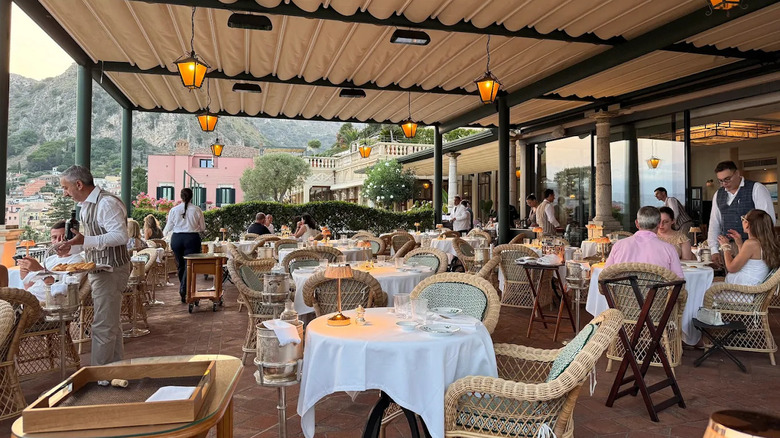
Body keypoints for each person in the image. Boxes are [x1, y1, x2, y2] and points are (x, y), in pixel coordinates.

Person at [57, 165, 131, 366]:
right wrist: (71, 248)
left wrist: (85, 241)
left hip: (111, 269)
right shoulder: (87, 206)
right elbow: (90, 241)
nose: (65, 193)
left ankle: (99, 374)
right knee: (110, 323)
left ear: (78, 184)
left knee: (103, 325)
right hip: (100, 269)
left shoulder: (106, 203)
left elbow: (120, 236)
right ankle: (114, 368)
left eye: (65, 188)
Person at [708, 161, 775, 267]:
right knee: (732, 279)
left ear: (737, 173)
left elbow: (768, 220)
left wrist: (759, 246)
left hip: (753, 248)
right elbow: (714, 224)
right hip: (727, 248)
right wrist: (714, 250)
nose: (724, 183)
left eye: (727, 179)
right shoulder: (718, 194)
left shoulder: (756, 188)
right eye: (720, 181)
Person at [605, 206, 684, 278]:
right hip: (657, 293)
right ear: (659, 224)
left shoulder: (618, 245)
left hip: (621, 293)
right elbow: (679, 280)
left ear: (637, 223)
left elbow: (606, 275)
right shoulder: (669, 249)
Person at [18, 220, 85, 302]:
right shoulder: (50, 259)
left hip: (41, 306)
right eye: (54, 237)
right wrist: (24, 272)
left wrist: (39, 269)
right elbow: (31, 287)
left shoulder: (77, 262)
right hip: (27, 299)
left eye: (63, 237)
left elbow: (63, 293)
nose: (58, 241)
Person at [163, 188, 206, 303]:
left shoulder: (174, 210)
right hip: (192, 238)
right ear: (191, 197)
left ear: (181, 196)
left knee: (181, 265)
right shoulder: (197, 210)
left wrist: (163, 236)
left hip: (177, 238)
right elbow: (202, 228)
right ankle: (185, 289)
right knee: (190, 265)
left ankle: (184, 289)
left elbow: (168, 227)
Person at [717, 209, 780, 286]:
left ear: (747, 224)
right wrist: (740, 244)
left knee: (703, 290)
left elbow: (731, 268)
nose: (742, 221)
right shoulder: (764, 242)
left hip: (741, 291)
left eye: (743, 219)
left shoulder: (751, 244)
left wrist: (726, 247)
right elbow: (748, 263)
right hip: (749, 289)